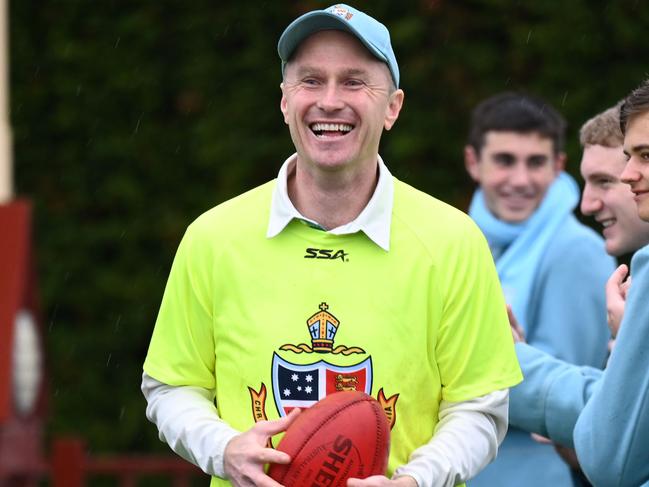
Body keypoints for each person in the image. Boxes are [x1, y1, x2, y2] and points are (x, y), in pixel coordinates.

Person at [141, 5, 522, 487]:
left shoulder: (454, 242)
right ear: (284, 101)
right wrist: (223, 449)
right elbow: (171, 385)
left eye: (354, 82)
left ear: (393, 107)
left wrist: (414, 481)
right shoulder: (213, 238)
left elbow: (480, 406)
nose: (330, 101)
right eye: (311, 81)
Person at [463, 93, 616, 487]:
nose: (520, 179)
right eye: (504, 160)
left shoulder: (578, 250)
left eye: (536, 162)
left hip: (538, 474)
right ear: (473, 162)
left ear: (558, 166)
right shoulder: (464, 237)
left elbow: (566, 396)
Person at [508, 102, 649, 485]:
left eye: (606, 180)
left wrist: (505, 360)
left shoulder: (577, 252)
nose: (586, 204)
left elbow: (615, 456)